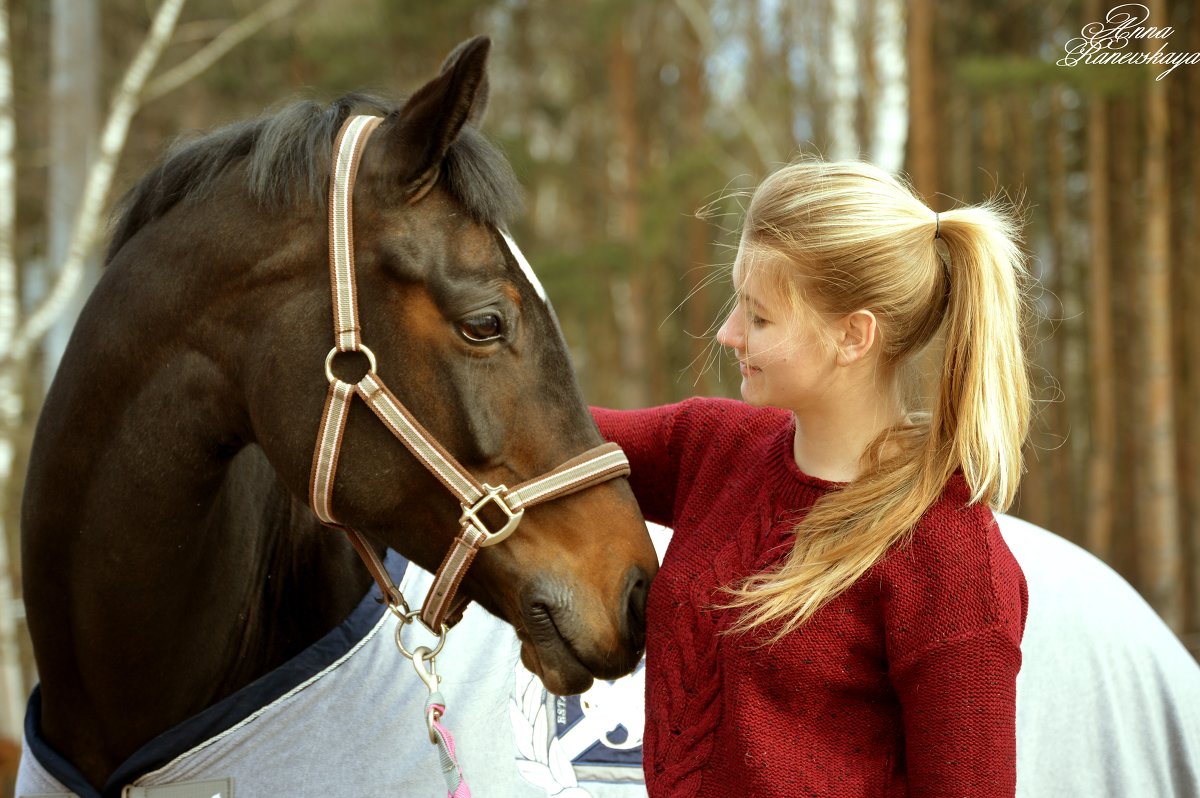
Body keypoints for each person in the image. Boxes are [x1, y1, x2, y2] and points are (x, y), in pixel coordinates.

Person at [592, 159, 1033, 797]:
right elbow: (535, 435)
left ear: (853, 336)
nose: (728, 333)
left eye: (760, 317)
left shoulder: (952, 565)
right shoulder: (714, 446)